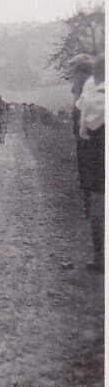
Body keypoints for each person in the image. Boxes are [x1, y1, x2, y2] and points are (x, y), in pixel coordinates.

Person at [75, 53, 105, 272]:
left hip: (99, 144)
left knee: (99, 199)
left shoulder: (91, 93)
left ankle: (100, 257)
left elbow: (83, 130)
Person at [66, 53, 95, 218]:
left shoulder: (82, 78)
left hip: (84, 122)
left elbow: (78, 104)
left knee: (85, 163)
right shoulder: (96, 77)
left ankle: (88, 203)